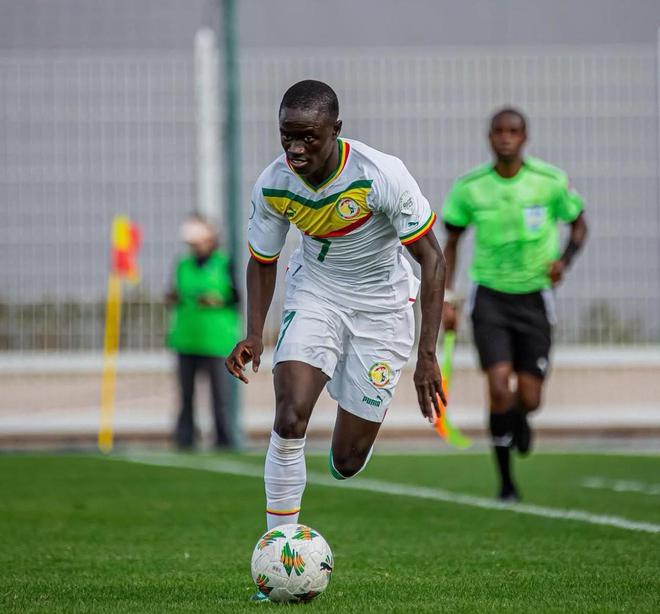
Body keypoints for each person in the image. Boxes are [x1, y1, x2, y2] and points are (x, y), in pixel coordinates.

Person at [226, 79, 446, 539]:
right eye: (287, 136)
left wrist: (427, 355)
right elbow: (263, 261)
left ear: (336, 129)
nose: (296, 149)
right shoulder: (274, 184)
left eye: (308, 137)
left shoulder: (380, 174)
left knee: (347, 461)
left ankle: (353, 411)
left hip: (383, 309)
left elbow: (432, 259)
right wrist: (254, 333)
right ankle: (279, 547)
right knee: (290, 415)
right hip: (317, 294)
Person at [441, 108, 588, 501]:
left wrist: (564, 261)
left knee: (529, 398)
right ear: (489, 137)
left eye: (513, 131)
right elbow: (451, 243)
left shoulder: (549, 182)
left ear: (524, 137)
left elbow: (579, 224)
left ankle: (521, 418)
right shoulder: (470, 188)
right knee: (498, 387)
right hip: (489, 296)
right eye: (499, 132)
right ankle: (506, 483)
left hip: (535, 298)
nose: (505, 138)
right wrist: (447, 299)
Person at [166, 215, 241, 450]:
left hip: (217, 340)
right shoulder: (183, 265)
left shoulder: (224, 263)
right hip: (186, 338)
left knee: (220, 396)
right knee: (185, 395)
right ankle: (185, 439)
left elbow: (236, 297)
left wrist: (217, 301)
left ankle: (224, 439)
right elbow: (176, 292)